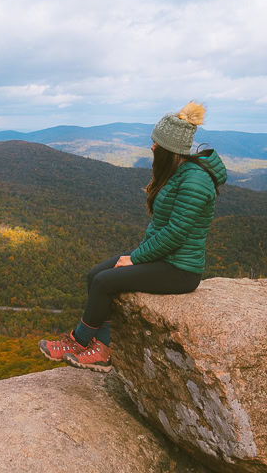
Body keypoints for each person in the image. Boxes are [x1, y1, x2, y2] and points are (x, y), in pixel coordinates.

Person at [39, 101, 227, 371]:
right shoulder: (180, 172)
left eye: (156, 143)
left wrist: (136, 258)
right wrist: (138, 257)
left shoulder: (194, 180)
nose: (152, 147)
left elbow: (175, 233)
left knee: (106, 281)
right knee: (95, 275)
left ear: (170, 149)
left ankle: (79, 342)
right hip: (164, 258)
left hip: (180, 269)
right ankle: (100, 348)